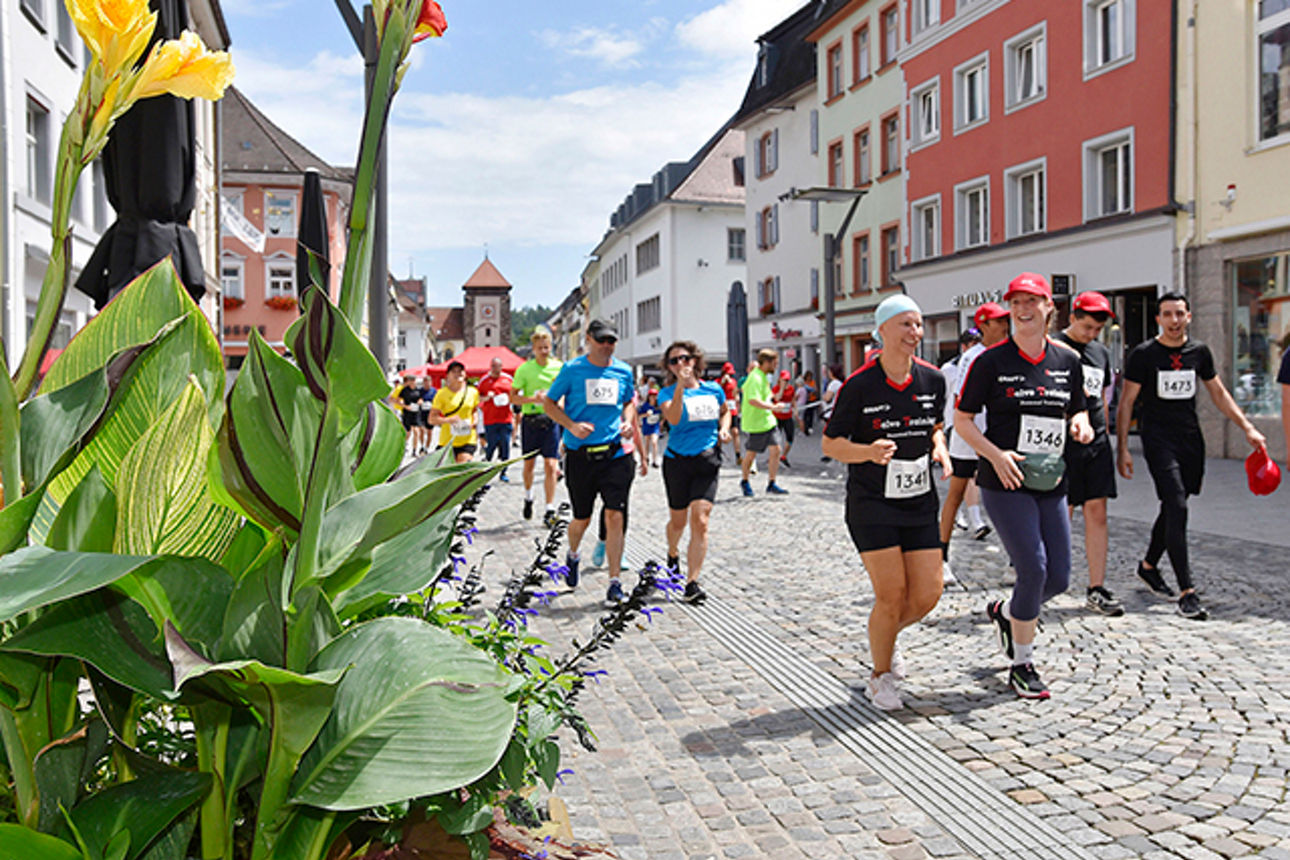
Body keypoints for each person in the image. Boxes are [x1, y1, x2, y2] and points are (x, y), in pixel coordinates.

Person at [956, 273, 1093, 700]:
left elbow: (1080, 410)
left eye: (1031, 301)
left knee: (1059, 578)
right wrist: (994, 454)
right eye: (1015, 302)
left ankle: (1007, 612)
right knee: (1032, 568)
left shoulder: (1067, 361)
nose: (1023, 309)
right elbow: (962, 421)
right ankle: (1023, 663)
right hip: (1004, 480)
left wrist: (1080, 424)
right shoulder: (990, 362)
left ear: (1049, 306)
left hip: (1050, 479)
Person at [823, 295, 950, 711]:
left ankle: (884, 638)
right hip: (871, 502)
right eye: (906, 324)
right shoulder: (859, 385)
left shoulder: (933, 380)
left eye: (918, 325)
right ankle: (881, 676)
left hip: (919, 500)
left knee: (928, 594)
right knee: (892, 594)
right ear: (883, 331)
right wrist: (867, 452)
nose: (915, 333)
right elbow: (831, 443)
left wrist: (941, 448)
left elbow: (934, 427)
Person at [1116, 292, 1266, 621]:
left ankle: (1148, 565)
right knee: (1177, 506)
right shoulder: (1144, 355)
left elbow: (1218, 392)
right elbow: (1126, 402)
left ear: (1189, 316)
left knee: (1175, 504)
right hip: (1158, 440)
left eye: (1179, 314)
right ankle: (1188, 591)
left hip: (1190, 440)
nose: (1174, 320)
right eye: (1167, 314)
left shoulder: (1198, 352)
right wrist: (1123, 448)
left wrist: (1247, 428)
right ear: (1158, 319)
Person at [543, 319, 647, 605]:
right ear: (589, 339)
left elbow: (629, 402)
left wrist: (627, 423)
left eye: (611, 341)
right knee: (582, 518)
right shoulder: (573, 370)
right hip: (580, 457)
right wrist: (571, 426)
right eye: (601, 340)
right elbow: (549, 404)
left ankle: (614, 582)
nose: (606, 346)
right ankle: (573, 554)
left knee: (615, 515)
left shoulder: (623, 371)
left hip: (615, 454)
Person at [1056, 292, 1122, 616]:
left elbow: (1103, 397)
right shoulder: (1053, 347)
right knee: (1060, 514)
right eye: (1087, 327)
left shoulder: (1100, 352)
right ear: (1072, 318)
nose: (1092, 334)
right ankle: (1047, 579)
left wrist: (1107, 435)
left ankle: (1096, 587)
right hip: (1061, 443)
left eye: (1097, 329)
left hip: (1095, 442)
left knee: (1097, 513)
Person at [939, 304, 1011, 581]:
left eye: (1006, 321)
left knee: (1007, 497)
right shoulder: (973, 357)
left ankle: (1016, 560)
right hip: (970, 435)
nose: (1004, 326)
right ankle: (941, 556)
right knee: (956, 493)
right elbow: (963, 400)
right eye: (998, 322)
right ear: (983, 326)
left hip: (999, 434)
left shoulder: (1005, 353)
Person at [659, 341, 732, 604]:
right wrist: (680, 386)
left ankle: (692, 582)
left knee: (700, 520)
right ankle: (672, 552)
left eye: (685, 359)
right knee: (678, 522)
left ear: (695, 361)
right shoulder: (666, 393)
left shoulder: (714, 389)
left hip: (707, 461)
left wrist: (724, 428)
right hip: (677, 463)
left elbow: (726, 413)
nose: (681, 364)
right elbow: (675, 419)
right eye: (674, 361)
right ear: (669, 367)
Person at [512, 328, 564, 525]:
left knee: (551, 465)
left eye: (547, 347)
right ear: (533, 349)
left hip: (551, 421)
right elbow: (513, 396)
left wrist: (561, 402)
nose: (544, 351)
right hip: (531, 421)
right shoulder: (524, 369)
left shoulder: (558, 368)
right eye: (540, 348)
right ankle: (528, 496)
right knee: (529, 465)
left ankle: (550, 508)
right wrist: (532, 398)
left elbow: (566, 391)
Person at [739, 349, 788, 497]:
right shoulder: (755, 378)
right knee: (751, 454)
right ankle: (745, 481)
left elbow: (767, 396)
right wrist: (773, 407)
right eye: (775, 363)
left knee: (776, 450)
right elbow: (753, 400)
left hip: (768, 421)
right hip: (755, 423)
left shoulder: (764, 377)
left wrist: (776, 401)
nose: (776, 366)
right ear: (766, 363)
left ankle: (771, 483)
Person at [428, 361, 481, 464]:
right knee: (449, 474)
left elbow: (474, 410)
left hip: (468, 439)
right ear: (448, 376)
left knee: (462, 469)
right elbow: (431, 419)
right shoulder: (441, 394)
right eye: (454, 372)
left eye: (460, 371)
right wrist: (448, 420)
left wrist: (475, 421)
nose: (458, 374)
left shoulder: (473, 392)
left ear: (465, 374)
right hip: (447, 441)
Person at [477, 357, 515, 482]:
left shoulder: (508, 379)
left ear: (501, 367)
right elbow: (477, 397)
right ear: (490, 367)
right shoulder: (484, 380)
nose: (496, 369)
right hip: (490, 419)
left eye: (498, 366)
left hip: (505, 419)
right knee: (491, 445)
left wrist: (508, 399)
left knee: (505, 445)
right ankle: (486, 469)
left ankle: (504, 472)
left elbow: (516, 395)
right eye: (493, 366)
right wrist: (486, 398)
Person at [718, 361, 744, 465]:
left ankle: (738, 455)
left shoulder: (733, 381)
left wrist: (738, 402)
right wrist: (722, 383)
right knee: (720, 432)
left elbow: (736, 393)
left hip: (732, 409)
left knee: (735, 432)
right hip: (722, 410)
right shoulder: (718, 381)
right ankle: (718, 453)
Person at [819, 364, 844, 461]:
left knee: (829, 434)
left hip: (830, 412)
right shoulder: (841, 383)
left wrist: (824, 397)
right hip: (836, 411)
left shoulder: (834, 384)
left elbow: (827, 398)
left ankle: (830, 453)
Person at [393, 374, 422, 455]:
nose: (412, 382)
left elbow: (421, 398)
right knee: (408, 433)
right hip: (407, 413)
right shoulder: (404, 390)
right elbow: (396, 400)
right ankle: (403, 446)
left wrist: (420, 401)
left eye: (413, 380)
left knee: (416, 432)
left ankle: (414, 450)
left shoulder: (418, 390)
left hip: (416, 413)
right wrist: (405, 406)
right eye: (411, 380)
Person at [772, 369, 796, 467]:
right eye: (784, 380)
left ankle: (784, 456)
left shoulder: (791, 389)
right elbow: (776, 398)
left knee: (790, 437)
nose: (786, 382)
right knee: (776, 438)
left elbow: (793, 400)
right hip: (777, 416)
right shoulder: (775, 388)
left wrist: (796, 409)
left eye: (787, 380)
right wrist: (781, 388)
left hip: (788, 416)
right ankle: (775, 456)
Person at [639, 386, 662, 468]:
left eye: (655, 395)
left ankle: (655, 460)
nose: (653, 397)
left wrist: (662, 422)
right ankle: (646, 458)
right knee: (647, 442)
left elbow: (663, 414)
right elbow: (639, 415)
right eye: (652, 395)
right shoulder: (645, 405)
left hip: (655, 426)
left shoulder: (658, 405)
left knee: (654, 442)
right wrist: (646, 414)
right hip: (647, 426)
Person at [800, 370, 819, 435]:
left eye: (811, 376)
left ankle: (810, 427)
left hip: (812, 400)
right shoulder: (804, 383)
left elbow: (816, 390)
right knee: (805, 414)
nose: (809, 378)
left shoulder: (813, 382)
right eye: (808, 376)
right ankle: (806, 427)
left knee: (811, 414)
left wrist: (813, 391)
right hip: (805, 400)